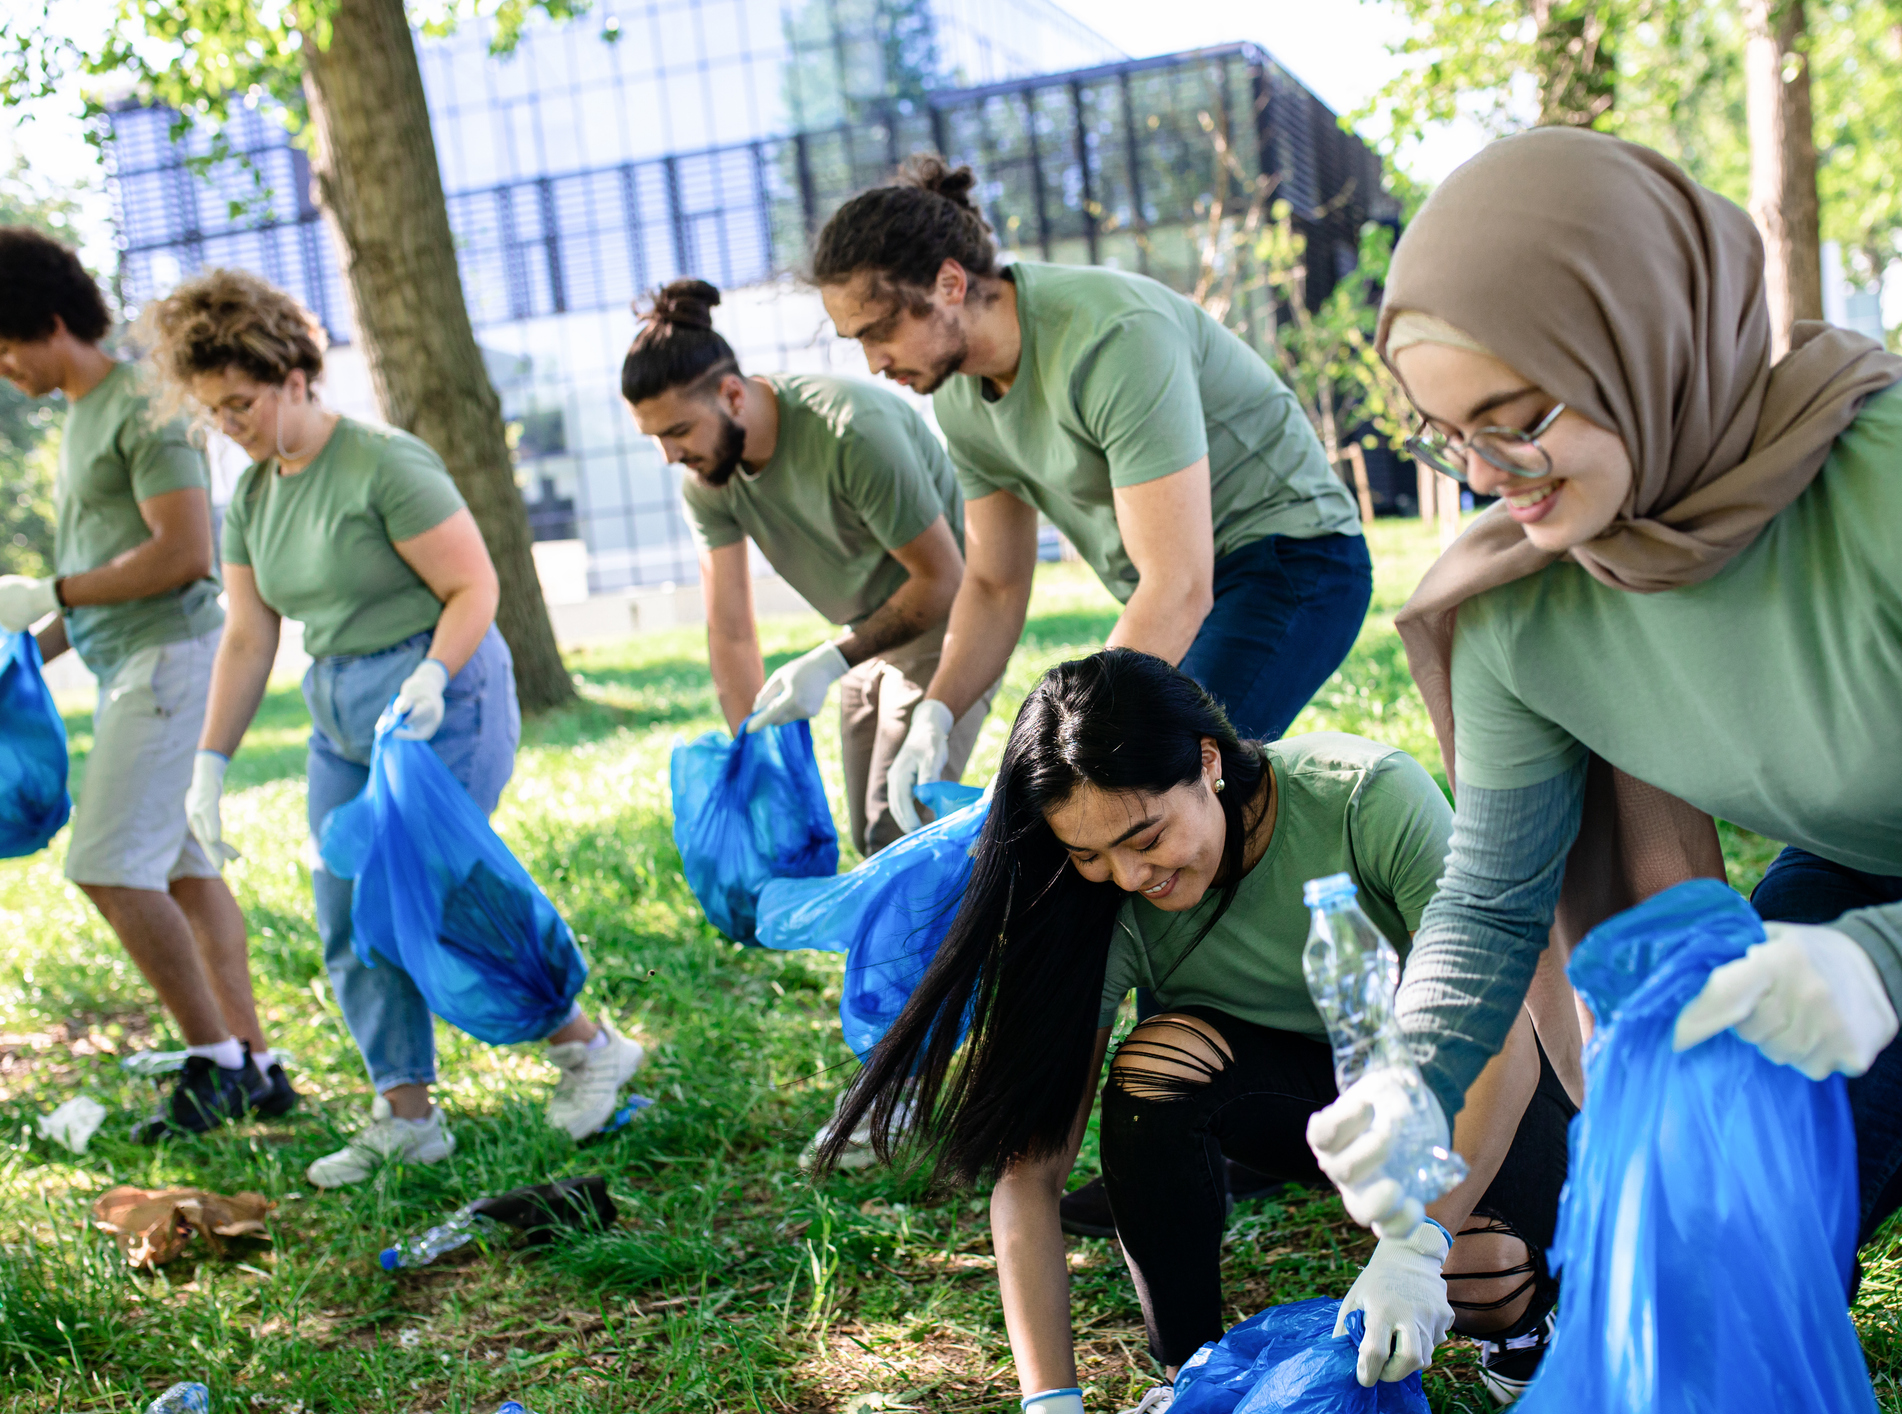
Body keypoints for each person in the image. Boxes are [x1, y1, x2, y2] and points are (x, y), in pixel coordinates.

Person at [1304, 128, 1902, 1412]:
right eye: (1446, 431)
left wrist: (1884, 967)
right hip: (1882, 870)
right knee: (1680, 1236)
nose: (1483, 477)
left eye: (1516, 422)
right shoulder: (1525, 597)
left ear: (1645, 343)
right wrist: (1415, 1072)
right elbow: (1493, 894)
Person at [814, 650, 1578, 1413]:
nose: (1127, 876)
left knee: (1481, 1274)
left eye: (1144, 838)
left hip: (1453, 1087)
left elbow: (1497, 1024)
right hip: (1301, 1106)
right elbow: (1029, 1173)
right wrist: (1048, 1400)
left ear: (1207, 761)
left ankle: (1522, 1333)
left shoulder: (1363, 798)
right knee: (1156, 1059)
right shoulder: (1099, 906)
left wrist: (1416, 1247)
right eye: (1088, 853)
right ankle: (1187, 1369)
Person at [144, 268, 643, 1188]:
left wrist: (430, 675)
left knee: (434, 895)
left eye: (242, 403)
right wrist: (208, 763)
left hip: (439, 687)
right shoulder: (255, 495)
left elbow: (474, 587)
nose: (229, 426)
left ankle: (588, 1046)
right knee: (346, 912)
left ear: (296, 376)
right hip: (341, 706)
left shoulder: (384, 462)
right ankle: (406, 1113)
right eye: (213, 411)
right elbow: (251, 638)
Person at [810, 157, 1373, 845]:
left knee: (1144, 787)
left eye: (879, 330)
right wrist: (938, 713)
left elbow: (1178, 584)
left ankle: (1331, 916)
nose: (871, 362)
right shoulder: (957, 393)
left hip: (1292, 561)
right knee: (1115, 799)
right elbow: (993, 583)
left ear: (950, 284)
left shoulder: (1111, 335)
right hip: (1186, 584)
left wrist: (1049, 751)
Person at [0, 228, 295, 1142]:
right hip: (132, 653)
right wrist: (32, 640)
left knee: (105, 864)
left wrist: (49, 592)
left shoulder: (143, 405)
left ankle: (215, 1061)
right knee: (183, 869)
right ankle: (257, 1065)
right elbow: (98, 585)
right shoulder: (84, 415)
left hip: (171, 658)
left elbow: (182, 555)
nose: (3, 367)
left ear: (51, 322)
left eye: (6, 345)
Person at [621, 278, 994, 855]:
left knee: (903, 829)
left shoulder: (850, 433)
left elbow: (942, 580)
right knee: (871, 838)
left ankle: (995, 935)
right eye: (654, 439)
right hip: (870, 631)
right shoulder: (709, 480)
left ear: (733, 396)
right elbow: (731, 629)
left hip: (954, 618)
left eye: (678, 432)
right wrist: (754, 757)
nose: (670, 457)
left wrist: (831, 659)